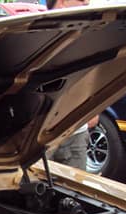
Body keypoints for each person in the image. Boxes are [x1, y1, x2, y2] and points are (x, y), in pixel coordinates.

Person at [44, 0, 97, 171]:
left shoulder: (87, 33)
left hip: (76, 132)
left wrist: (94, 110)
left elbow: (93, 74)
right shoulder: (39, 33)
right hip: (39, 137)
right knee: (34, 190)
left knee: (74, 193)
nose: (87, 2)